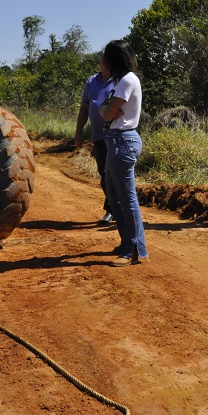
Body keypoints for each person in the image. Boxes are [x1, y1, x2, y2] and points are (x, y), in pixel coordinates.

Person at [99, 40, 149, 267]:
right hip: (117, 141)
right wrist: (108, 110)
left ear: (113, 60)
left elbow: (108, 113)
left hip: (122, 141)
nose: (102, 60)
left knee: (126, 198)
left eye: (105, 57)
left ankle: (134, 249)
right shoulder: (121, 81)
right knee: (115, 195)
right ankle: (128, 243)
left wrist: (105, 109)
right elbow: (110, 112)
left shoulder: (126, 80)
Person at [74, 54, 116, 224]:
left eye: (107, 59)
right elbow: (85, 108)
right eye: (101, 59)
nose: (103, 62)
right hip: (98, 136)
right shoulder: (91, 81)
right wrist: (79, 132)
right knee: (104, 173)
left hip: (116, 134)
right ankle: (114, 208)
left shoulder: (119, 80)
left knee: (112, 174)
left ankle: (112, 210)